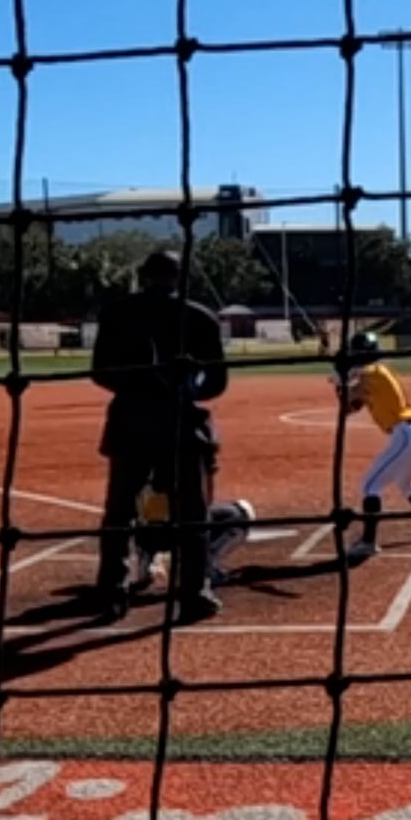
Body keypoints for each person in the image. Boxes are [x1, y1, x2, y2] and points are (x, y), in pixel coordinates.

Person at [91, 250, 228, 623]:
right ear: (179, 276)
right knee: (193, 514)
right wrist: (184, 389)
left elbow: (100, 372)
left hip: (130, 422)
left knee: (119, 512)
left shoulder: (117, 313)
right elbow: (217, 382)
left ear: (143, 274)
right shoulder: (199, 316)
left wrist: (137, 385)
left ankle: (112, 592)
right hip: (181, 423)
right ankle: (194, 593)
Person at [340, 332, 411, 562]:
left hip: (406, 433)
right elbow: (349, 407)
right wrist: (341, 384)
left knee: (370, 484)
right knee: (405, 483)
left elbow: (356, 381)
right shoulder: (373, 374)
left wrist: (342, 375)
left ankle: (368, 543)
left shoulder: (373, 372)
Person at [135, 488, 256, 590]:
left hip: (162, 526)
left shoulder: (223, 509)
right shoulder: (238, 523)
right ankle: (206, 575)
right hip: (175, 530)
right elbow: (215, 550)